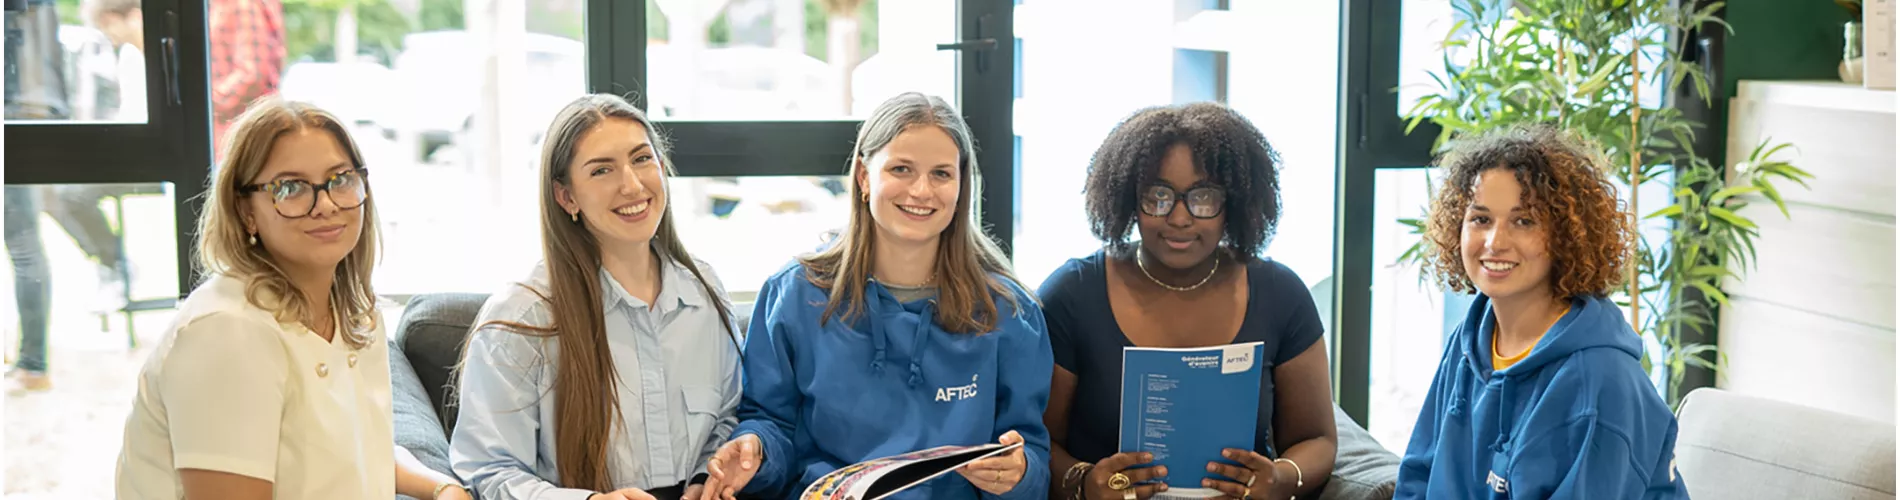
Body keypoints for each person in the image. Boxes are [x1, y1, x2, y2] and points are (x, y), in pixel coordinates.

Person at [699, 92, 1052, 500]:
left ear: (961, 187)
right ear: (865, 178)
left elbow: (1033, 461)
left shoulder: (1008, 310)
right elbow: (769, 423)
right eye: (901, 169)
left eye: (941, 174)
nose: (922, 190)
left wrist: (1019, 474)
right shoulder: (795, 294)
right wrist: (752, 449)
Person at [113, 98, 470, 500]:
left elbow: (359, 448)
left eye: (340, 179)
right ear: (245, 210)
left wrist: (443, 488)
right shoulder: (227, 331)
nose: (326, 204)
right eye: (291, 188)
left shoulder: (353, 313)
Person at [450, 93, 744, 500]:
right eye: (602, 170)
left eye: (642, 159)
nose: (632, 184)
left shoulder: (704, 292)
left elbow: (730, 415)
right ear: (566, 197)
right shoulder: (523, 317)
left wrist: (705, 478)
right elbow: (487, 470)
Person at [1037, 102, 1336, 500]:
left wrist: (1280, 479)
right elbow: (1035, 440)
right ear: (1129, 199)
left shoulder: (1280, 293)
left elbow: (1316, 437)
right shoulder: (1072, 293)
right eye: (1158, 196)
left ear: (1234, 203)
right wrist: (1085, 483)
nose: (1179, 218)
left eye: (1203, 197)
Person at [1394, 126, 1688, 499]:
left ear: (1567, 235)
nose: (1495, 242)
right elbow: (1418, 478)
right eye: (1481, 219)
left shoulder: (1600, 381)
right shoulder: (1470, 342)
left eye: (1524, 221)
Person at [209, 0, 286, 160]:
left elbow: (252, 74)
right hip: (231, 135)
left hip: (239, 136)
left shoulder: (243, 4)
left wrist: (205, 101)